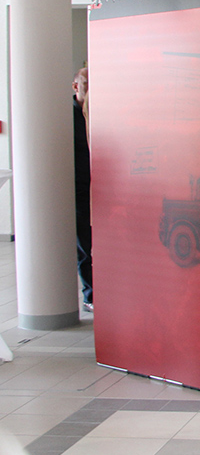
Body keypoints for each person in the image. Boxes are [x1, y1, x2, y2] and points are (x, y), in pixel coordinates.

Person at [73, 68, 93, 313]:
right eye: (86, 83)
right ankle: (90, 295)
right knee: (84, 245)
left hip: (103, 190)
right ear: (76, 86)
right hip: (79, 191)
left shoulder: (101, 113)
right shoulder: (69, 117)